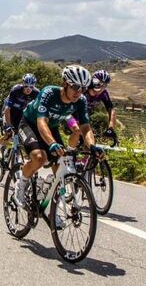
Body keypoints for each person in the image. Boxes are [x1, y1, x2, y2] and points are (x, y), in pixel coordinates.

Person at [13, 65, 102, 207]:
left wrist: (92, 146)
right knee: (39, 157)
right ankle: (21, 183)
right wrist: (52, 143)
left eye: (83, 88)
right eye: (76, 87)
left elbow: (85, 127)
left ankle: (54, 208)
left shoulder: (81, 101)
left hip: (51, 128)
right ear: (65, 83)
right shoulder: (49, 92)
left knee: (60, 164)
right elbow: (41, 121)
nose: (79, 92)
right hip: (30, 123)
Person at [0, 73, 38, 167]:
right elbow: (7, 110)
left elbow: (36, 112)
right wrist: (8, 125)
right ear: (22, 84)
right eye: (26, 86)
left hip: (21, 113)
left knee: (22, 136)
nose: (29, 89)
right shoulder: (16, 90)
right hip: (9, 111)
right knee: (8, 134)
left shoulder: (36, 93)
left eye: (31, 86)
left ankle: (11, 151)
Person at [66, 69, 119, 148]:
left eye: (104, 85)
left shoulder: (103, 93)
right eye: (99, 83)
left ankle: (84, 160)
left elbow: (111, 109)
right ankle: (67, 155)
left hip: (82, 118)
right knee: (78, 130)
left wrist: (110, 128)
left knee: (90, 139)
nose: (101, 88)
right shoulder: (84, 89)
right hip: (69, 115)